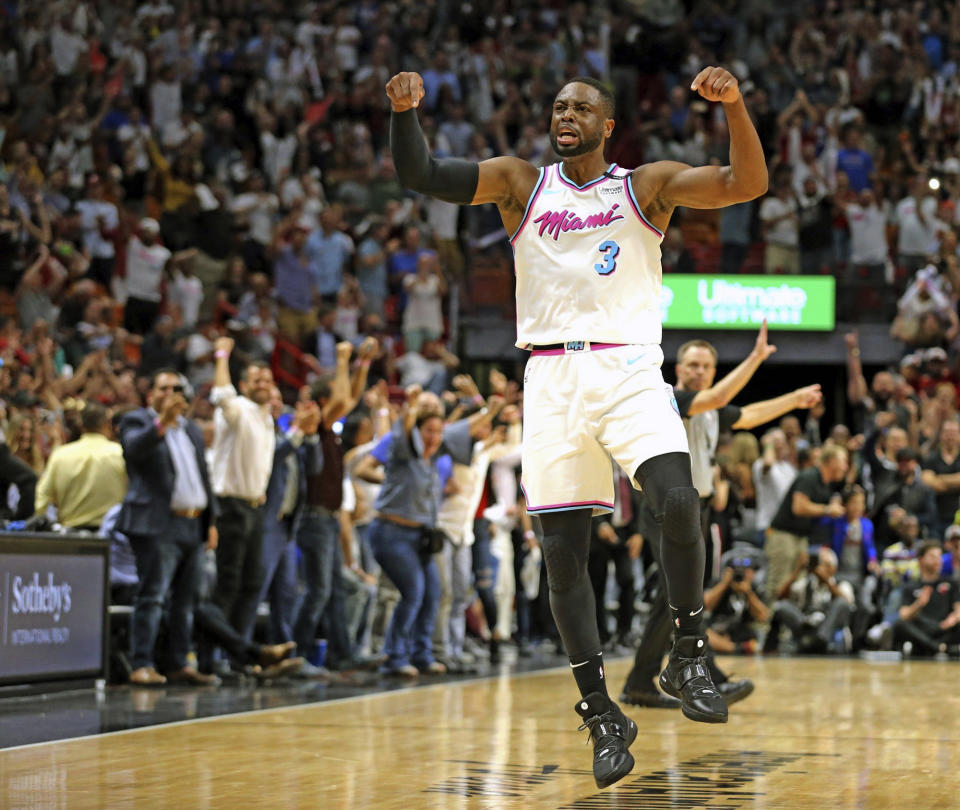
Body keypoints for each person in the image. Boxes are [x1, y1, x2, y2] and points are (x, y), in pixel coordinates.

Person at [387, 64, 769, 788]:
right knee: (563, 557)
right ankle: (600, 712)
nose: (566, 114)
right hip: (551, 379)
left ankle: (689, 650)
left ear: (607, 125)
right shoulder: (518, 183)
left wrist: (737, 107)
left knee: (678, 500)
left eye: (581, 107)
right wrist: (405, 112)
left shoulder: (644, 185)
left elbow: (743, 183)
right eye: (558, 105)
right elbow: (423, 172)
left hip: (628, 366)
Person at [620, 330, 821, 712]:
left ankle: (671, 678)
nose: (699, 371)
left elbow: (748, 416)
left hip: (698, 510)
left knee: (683, 597)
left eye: (706, 366)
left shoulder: (711, 409)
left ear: (713, 370)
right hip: (665, 509)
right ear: (679, 369)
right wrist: (757, 358)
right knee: (675, 596)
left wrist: (795, 399)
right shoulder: (669, 398)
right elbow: (722, 398)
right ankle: (659, 679)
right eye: (692, 365)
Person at [118, 369, 219, 686]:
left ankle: (178, 662)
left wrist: (211, 521)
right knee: (152, 596)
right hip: (158, 525)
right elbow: (134, 451)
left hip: (192, 522)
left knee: (186, 601)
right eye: (164, 388)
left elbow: (203, 476)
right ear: (151, 395)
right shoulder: (137, 420)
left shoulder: (191, 430)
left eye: (177, 388)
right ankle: (142, 663)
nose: (171, 393)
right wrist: (162, 421)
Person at [209, 337, 276, 653]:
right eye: (257, 380)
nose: (263, 384)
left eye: (268, 380)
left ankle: (238, 653)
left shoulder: (266, 416)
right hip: (231, 506)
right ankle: (216, 657)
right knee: (228, 585)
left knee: (251, 585)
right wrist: (222, 355)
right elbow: (221, 393)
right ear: (244, 384)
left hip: (254, 508)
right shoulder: (236, 409)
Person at [766, 446, 849, 603]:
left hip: (802, 537)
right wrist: (827, 509)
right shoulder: (809, 476)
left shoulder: (826, 484)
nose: (846, 467)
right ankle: (769, 623)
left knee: (798, 584)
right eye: (843, 461)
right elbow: (798, 507)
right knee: (779, 580)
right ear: (831, 461)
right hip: (784, 535)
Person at [35, 402, 126, 529]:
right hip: (111, 534)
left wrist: (40, 522)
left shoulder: (60, 455)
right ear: (107, 424)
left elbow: (42, 495)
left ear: (81, 425)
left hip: (71, 536)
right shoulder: (120, 453)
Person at [892, 541, 960, 657]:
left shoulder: (951, 583)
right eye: (932, 557)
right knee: (899, 625)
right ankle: (939, 648)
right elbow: (903, 615)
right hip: (923, 629)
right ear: (921, 560)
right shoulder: (911, 586)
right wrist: (919, 604)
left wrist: (952, 620)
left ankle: (933, 647)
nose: (937, 560)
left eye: (939, 556)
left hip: (944, 628)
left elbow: (958, 610)